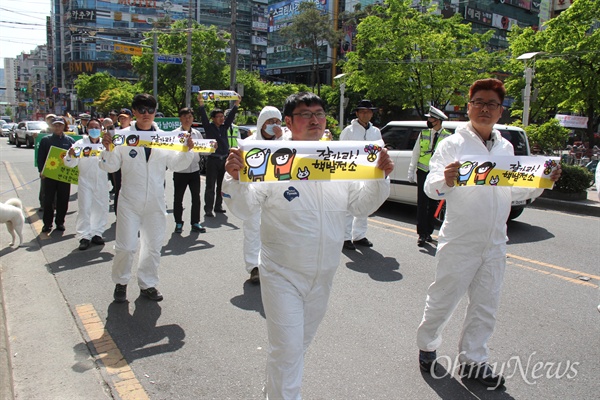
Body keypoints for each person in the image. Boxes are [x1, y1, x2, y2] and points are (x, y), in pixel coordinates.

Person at [223, 92, 394, 398]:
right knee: (287, 350)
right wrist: (235, 179)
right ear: (287, 122)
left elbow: (360, 206)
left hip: (324, 275)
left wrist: (380, 176)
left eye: (319, 113)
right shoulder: (272, 158)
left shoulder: (340, 159)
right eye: (305, 114)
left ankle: (273, 392)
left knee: (295, 348)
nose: (315, 120)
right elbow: (245, 209)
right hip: (281, 274)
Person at [416, 79, 561, 388]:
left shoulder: (506, 146)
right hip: (460, 239)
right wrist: (449, 179)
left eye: (491, 104)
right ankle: (428, 346)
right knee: (443, 297)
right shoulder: (452, 144)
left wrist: (543, 180)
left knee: (486, 304)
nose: (484, 108)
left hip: (495, 241)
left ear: (500, 111)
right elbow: (431, 187)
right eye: (478, 102)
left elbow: (516, 189)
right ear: (468, 106)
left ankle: (474, 360)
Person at [99, 94, 195, 303]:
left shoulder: (165, 137)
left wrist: (187, 151)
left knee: (153, 246)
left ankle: (148, 283)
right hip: (129, 201)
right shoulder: (121, 136)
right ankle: (121, 282)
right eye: (141, 109)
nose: (146, 114)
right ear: (133, 111)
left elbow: (176, 164)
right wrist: (107, 149)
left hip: (155, 201)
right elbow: (110, 166)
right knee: (126, 246)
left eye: (150, 109)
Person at [242, 106, 289, 284]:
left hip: (277, 193)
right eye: (270, 122)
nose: (274, 125)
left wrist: (280, 139)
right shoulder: (249, 142)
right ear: (262, 123)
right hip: (254, 191)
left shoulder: (286, 139)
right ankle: (254, 267)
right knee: (253, 229)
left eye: (277, 121)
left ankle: (274, 265)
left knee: (277, 230)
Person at [339, 99, 382, 250]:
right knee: (349, 204)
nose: (366, 114)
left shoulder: (375, 131)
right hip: (351, 171)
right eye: (363, 111)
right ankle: (345, 237)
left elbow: (378, 150)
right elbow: (341, 152)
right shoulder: (349, 131)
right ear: (357, 113)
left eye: (369, 111)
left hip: (368, 171)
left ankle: (359, 235)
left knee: (365, 203)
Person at [408, 105, 452, 246]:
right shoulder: (424, 134)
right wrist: (411, 169)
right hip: (422, 171)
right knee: (422, 203)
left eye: (431, 118)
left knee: (433, 203)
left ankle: (429, 232)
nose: (428, 120)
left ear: (437, 120)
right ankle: (421, 234)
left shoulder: (448, 137)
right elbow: (416, 152)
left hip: (437, 173)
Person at [64, 118, 109, 250]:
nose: (94, 130)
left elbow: (112, 160)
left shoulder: (105, 144)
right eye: (92, 127)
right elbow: (70, 163)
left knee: (101, 207)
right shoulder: (80, 143)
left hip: (101, 181)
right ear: (87, 129)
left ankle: (97, 233)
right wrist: (70, 155)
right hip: (85, 181)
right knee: (85, 208)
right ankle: (84, 236)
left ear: (101, 129)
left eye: (97, 127)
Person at [197, 92, 240, 217]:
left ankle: (218, 206)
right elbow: (203, 115)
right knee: (210, 185)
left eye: (223, 116)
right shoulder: (208, 127)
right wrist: (201, 103)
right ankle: (208, 209)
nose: (222, 118)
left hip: (224, 159)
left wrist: (236, 104)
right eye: (219, 116)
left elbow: (231, 116)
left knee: (221, 185)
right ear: (213, 118)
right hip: (213, 159)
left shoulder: (224, 127)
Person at [37, 116, 76, 232]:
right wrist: (41, 171)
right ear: (51, 126)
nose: (58, 127)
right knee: (48, 200)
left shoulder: (70, 141)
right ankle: (47, 224)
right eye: (55, 125)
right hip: (49, 175)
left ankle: (60, 222)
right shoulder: (46, 140)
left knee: (63, 199)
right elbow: (41, 158)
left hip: (64, 176)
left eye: (60, 125)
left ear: (64, 126)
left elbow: (75, 159)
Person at [172, 107, 206, 234]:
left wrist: (212, 147)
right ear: (180, 118)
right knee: (178, 198)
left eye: (190, 117)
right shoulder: (175, 134)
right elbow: (172, 152)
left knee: (196, 198)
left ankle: (195, 223)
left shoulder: (197, 133)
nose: (187, 119)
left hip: (195, 170)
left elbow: (203, 150)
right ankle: (178, 223)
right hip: (180, 171)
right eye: (185, 117)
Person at [109, 108, 133, 214]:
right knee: (118, 187)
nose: (123, 120)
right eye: (121, 118)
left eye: (125, 118)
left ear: (131, 119)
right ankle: (118, 212)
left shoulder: (136, 132)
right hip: (118, 164)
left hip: (132, 164)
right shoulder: (114, 132)